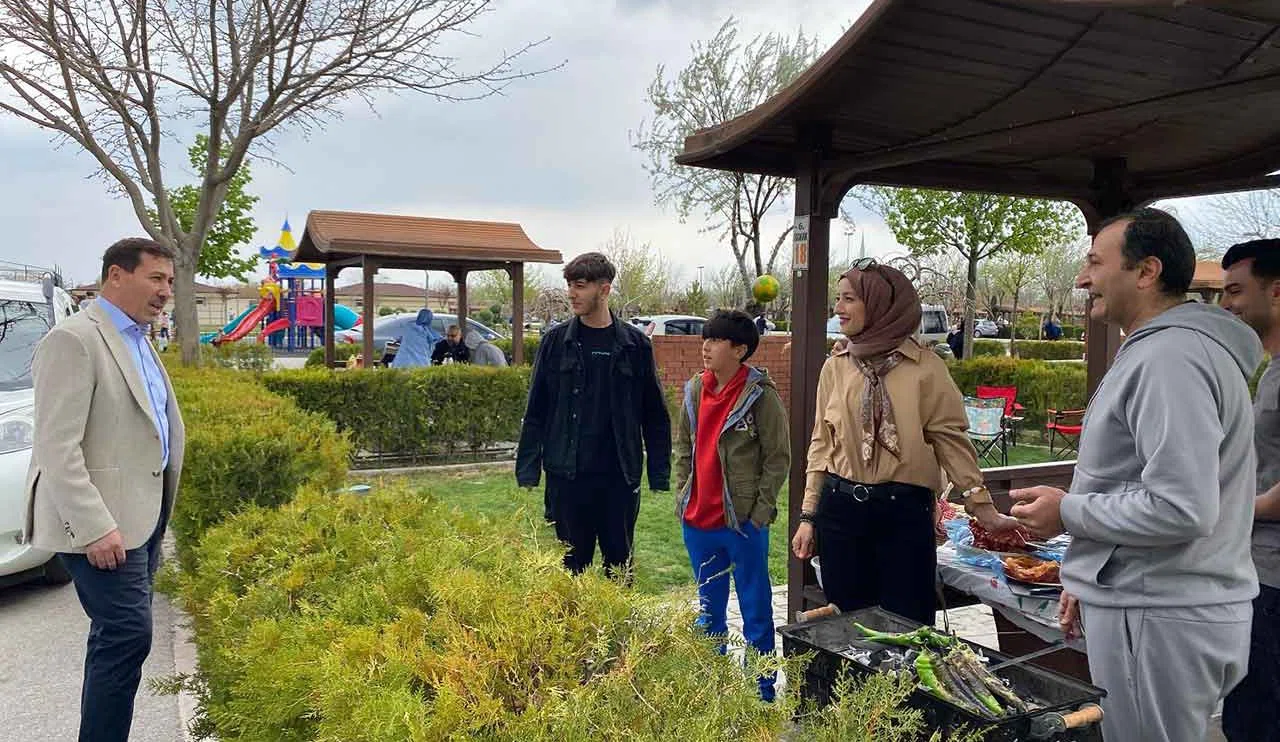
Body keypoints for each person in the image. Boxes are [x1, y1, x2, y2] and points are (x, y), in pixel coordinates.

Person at [1010, 208, 1262, 742]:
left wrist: (1067, 512)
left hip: (1161, 610)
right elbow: (1142, 483)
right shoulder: (1172, 349)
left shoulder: (1171, 358)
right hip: (1156, 602)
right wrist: (1088, 572)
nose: (1082, 279)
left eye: (1094, 263)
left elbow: (1181, 507)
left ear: (1146, 271)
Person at [791, 259, 1017, 626]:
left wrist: (983, 508)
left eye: (849, 299)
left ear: (881, 304)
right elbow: (822, 444)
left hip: (903, 515)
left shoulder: (926, 369)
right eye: (838, 298)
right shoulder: (836, 366)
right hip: (840, 511)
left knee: (908, 629)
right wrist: (807, 516)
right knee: (846, 629)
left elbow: (951, 442)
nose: (838, 308)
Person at [24, 237, 186, 742]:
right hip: (104, 525)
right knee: (126, 635)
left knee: (118, 638)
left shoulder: (137, 338)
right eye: (155, 278)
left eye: (170, 281)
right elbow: (56, 447)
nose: (166, 291)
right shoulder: (74, 339)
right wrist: (94, 527)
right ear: (116, 275)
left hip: (144, 516)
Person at [516, 252, 671, 579]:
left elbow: (654, 414)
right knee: (571, 571)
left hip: (619, 478)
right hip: (566, 478)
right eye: (570, 285)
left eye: (580, 286)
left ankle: (618, 616)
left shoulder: (635, 345)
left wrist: (658, 473)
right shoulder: (555, 343)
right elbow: (536, 409)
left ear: (604, 289)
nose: (571, 293)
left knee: (620, 568)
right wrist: (528, 469)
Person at [673, 309, 789, 701]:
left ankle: (761, 692)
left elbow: (778, 458)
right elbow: (683, 446)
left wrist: (760, 512)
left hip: (741, 523)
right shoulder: (695, 389)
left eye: (716, 340)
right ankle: (713, 691)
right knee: (709, 611)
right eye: (705, 339)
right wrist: (683, 493)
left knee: (756, 609)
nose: (706, 347)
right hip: (697, 523)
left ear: (739, 350)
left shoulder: (760, 396)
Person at [1218, 237, 1280, 742]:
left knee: (1256, 720)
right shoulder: (1269, 368)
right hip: (1258, 570)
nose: (1226, 304)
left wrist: (1223, 509)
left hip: (1274, 580)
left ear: (1276, 290)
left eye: (1236, 290)